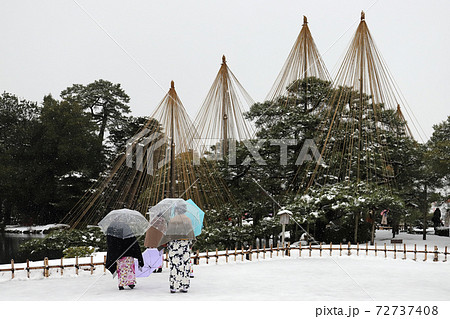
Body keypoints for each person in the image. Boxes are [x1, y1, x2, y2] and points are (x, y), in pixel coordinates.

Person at [105, 222, 144, 290]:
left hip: (120, 255)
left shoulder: (112, 229)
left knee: (122, 270)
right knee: (129, 269)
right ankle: (130, 283)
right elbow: (133, 241)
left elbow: (111, 243)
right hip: (129, 253)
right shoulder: (126, 228)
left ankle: (121, 283)